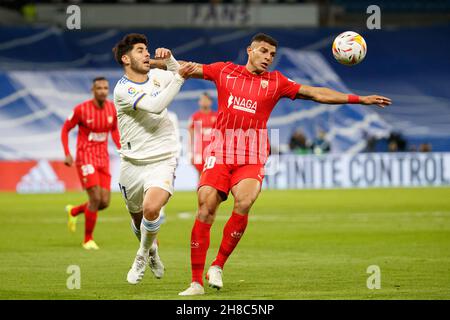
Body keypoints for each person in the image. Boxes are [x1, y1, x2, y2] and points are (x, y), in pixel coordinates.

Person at [177, 33, 391, 295]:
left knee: (244, 201)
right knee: (205, 208)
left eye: (272, 54)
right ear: (250, 50)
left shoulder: (276, 82)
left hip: (252, 154)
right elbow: (186, 67)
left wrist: (359, 99)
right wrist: (155, 62)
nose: (268, 57)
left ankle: (218, 265)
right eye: (264, 51)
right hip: (220, 152)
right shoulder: (224, 71)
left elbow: (315, 93)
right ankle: (196, 282)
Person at [111, 33, 196, 284]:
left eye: (146, 49)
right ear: (126, 59)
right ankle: (153, 250)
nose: (146, 53)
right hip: (132, 163)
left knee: (151, 209)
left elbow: (175, 70)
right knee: (137, 217)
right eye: (139, 50)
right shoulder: (122, 90)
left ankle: (140, 256)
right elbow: (157, 105)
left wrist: (170, 59)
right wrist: (179, 78)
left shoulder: (157, 76)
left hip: (163, 158)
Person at [61, 77, 121, 250]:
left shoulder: (112, 108)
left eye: (105, 88)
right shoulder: (81, 109)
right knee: (94, 198)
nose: (103, 91)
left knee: (104, 202)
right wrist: (67, 153)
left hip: (103, 159)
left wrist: (121, 147)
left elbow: (114, 130)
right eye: (99, 88)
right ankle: (88, 239)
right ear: (93, 90)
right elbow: (65, 129)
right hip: (85, 158)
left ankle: (74, 211)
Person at [188, 92, 218, 175]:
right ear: (199, 102)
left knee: (213, 174)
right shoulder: (195, 117)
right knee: (201, 174)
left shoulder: (216, 116)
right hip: (199, 151)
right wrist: (190, 153)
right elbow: (190, 136)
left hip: (213, 151)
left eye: (207, 99)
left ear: (211, 102)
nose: (204, 101)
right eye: (203, 100)